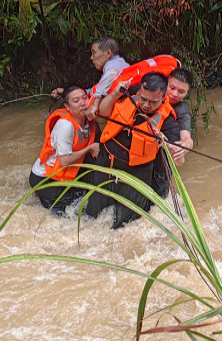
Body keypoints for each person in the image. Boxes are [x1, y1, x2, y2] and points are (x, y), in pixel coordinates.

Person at [85, 71, 180, 228]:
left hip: (136, 176)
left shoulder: (168, 123)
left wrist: (165, 143)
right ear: (139, 92)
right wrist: (115, 93)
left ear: (163, 98)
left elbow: (179, 160)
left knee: (125, 226)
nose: (146, 105)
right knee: (92, 215)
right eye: (143, 98)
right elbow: (103, 113)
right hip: (107, 164)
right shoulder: (126, 94)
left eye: (153, 101)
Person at [30, 86, 100, 214]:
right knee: (75, 209)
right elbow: (65, 161)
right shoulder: (65, 126)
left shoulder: (89, 122)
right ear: (67, 107)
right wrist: (89, 148)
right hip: (45, 179)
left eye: (85, 98)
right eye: (76, 101)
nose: (82, 103)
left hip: (62, 175)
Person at [51, 37, 129, 118]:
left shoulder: (112, 66)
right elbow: (94, 90)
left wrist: (95, 104)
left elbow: (110, 74)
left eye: (94, 52)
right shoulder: (121, 64)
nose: (91, 58)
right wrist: (65, 93)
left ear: (108, 53)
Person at [151, 66, 194, 198]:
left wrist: (185, 146)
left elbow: (186, 137)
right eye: (172, 88)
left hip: (161, 166)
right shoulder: (150, 93)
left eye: (181, 92)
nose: (175, 94)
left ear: (187, 92)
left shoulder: (181, 111)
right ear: (166, 83)